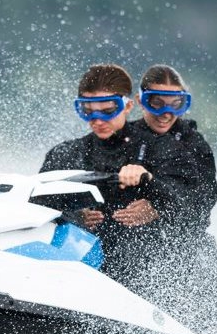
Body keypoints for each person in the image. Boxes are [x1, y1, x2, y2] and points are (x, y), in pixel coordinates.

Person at [39, 64, 193, 294]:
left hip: (148, 275)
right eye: (88, 110)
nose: (98, 119)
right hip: (82, 272)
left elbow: (189, 210)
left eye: (108, 110)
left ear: (128, 106)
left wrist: (148, 181)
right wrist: (75, 216)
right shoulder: (65, 154)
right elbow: (38, 208)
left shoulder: (165, 148)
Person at [127, 64, 217, 334]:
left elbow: (203, 203)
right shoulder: (124, 138)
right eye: (156, 103)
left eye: (176, 104)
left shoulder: (195, 145)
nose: (165, 114)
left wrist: (159, 208)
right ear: (139, 101)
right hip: (134, 250)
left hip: (187, 248)